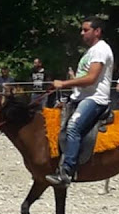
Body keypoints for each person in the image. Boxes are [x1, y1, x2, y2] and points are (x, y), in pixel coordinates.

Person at [46, 16, 114, 186]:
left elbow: (91, 78)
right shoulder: (90, 51)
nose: (81, 33)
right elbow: (85, 78)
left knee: (73, 127)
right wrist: (74, 80)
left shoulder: (100, 50)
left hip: (95, 99)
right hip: (82, 97)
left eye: (85, 30)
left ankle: (66, 171)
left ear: (97, 31)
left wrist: (65, 83)